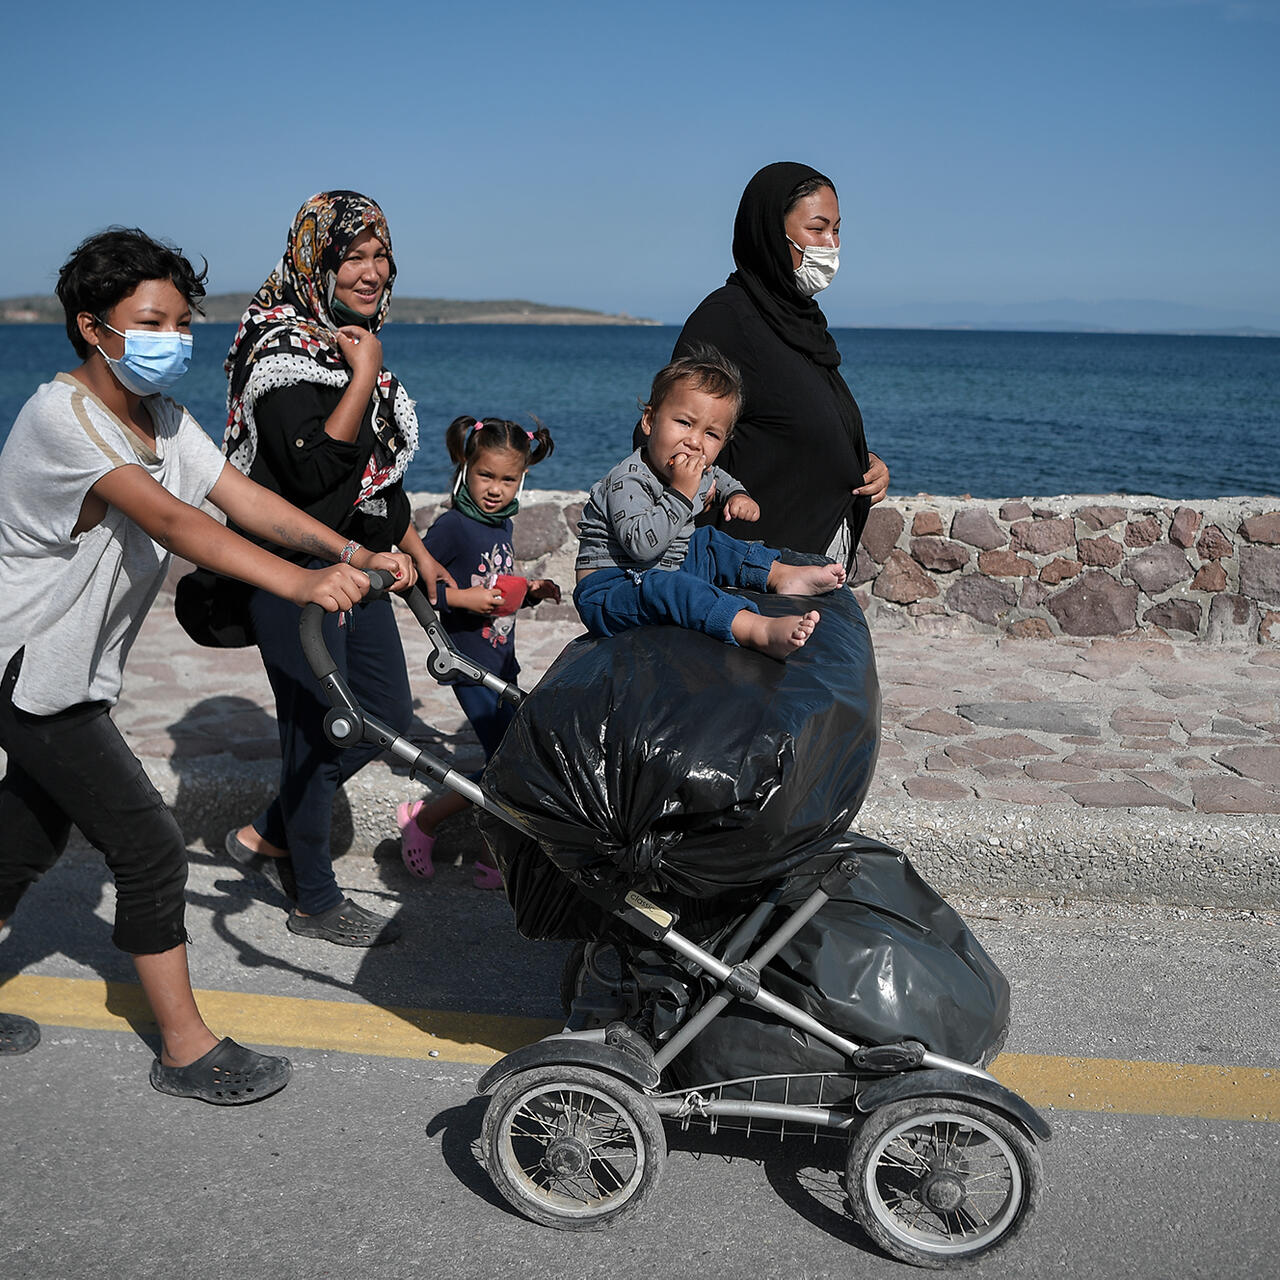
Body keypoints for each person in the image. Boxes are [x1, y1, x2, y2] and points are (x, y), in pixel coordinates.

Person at [0, 227, 414, 1100]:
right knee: (151, 849)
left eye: (182, 322)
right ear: (92, 327)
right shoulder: (59, 420)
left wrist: (350, 551)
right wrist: (302, 583)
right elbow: (178, 522)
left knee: (24, 842)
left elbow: (244, 499)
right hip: (30, 676)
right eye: (152, 322)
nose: (174, 338)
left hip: (73, 677)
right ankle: (186, 1050)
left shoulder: (162, 418)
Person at [222, 191, 452, 947]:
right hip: (293, 573)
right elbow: (314, 475)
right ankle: (315, 902)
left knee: (382, 717)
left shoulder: (343, 345)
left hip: (359, 569)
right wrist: (363, 377)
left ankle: (267, 832)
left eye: (381, 256)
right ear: (315, 261)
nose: (371, 272)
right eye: (353, 256)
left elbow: (372, 487)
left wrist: (417, 551)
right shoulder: (280, 350)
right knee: (323, 731)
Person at [672, 161, 890, 570]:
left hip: (810, 565)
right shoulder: (727, 321)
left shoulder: (801, 323)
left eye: (837, 230)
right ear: (771, 231)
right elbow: (674, 438)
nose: (830, 245)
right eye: (817, 229)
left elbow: (793, 427)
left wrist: (863, 462)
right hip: (754, 573)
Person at [574, 348, 845, 661]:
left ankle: (780, 575)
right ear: (649, 420)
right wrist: (680, 493)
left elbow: (720, 478)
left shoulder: (696, 470)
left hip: (662, 567)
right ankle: (753, 628)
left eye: (711, 434)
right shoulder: (628, 480)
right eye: (684, 422)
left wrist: (737, 495)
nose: (695, 441)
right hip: (611, 589)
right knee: (670, 587)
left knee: (708, 542)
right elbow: (641, 547)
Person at [397, 416, 561, 887]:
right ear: (465, 466)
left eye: (508, 479)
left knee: (511, 761)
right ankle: (424, 820)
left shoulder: (501, 524)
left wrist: (529, 593)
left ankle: (492, 856)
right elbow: (416, 586)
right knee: (505, 764)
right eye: (486, 475)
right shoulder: (453, 526)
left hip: (501, 662)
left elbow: (494, 588)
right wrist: (461, 600)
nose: (495, 489)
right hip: (468, 665)